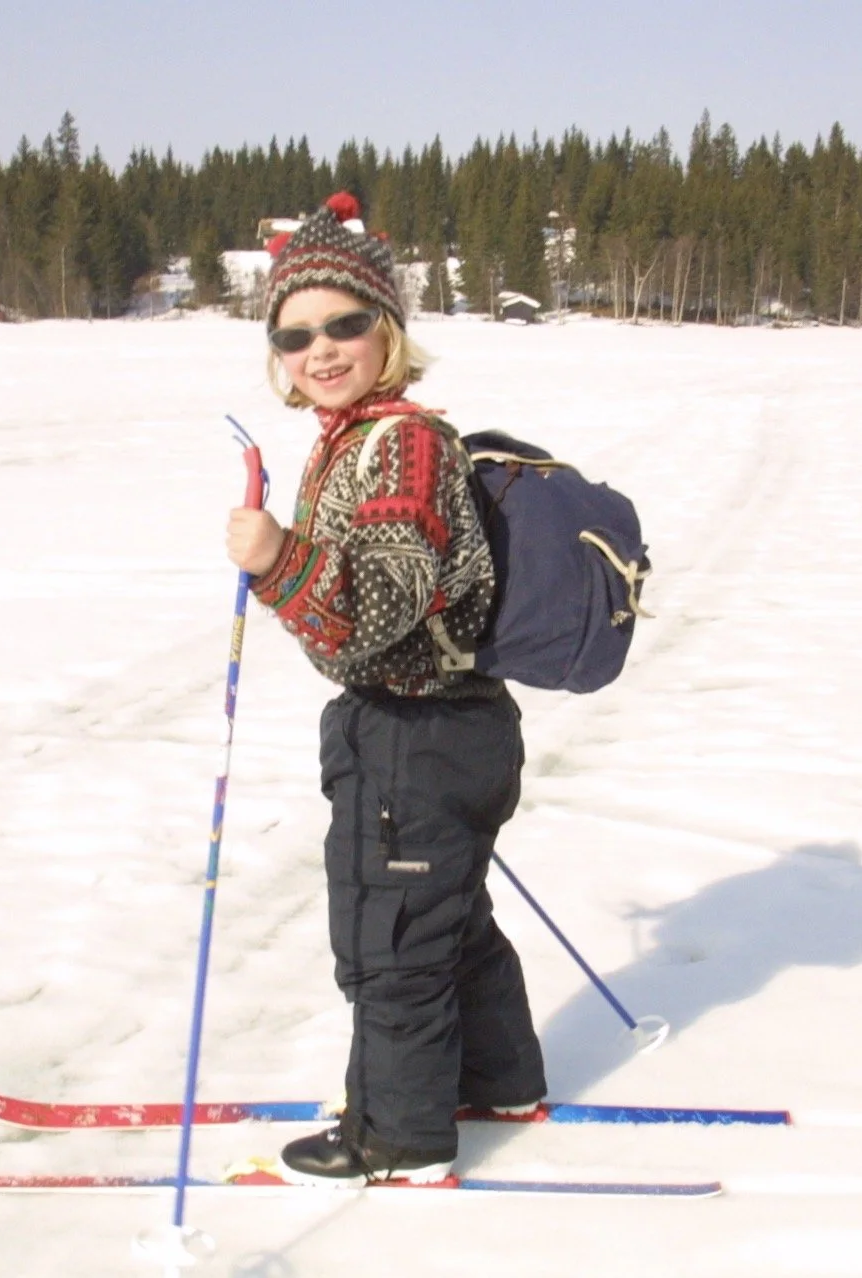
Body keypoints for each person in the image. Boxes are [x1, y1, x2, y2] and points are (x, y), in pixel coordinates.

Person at [224, 193, 547, 1185]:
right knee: (447, 920)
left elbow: (382, 606)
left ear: (388, 328)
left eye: (344, 324)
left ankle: (401, 1137)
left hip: (420, 730)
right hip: (435, 729)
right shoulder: (353, 436)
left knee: (391, 938)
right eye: (294, 335)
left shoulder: (402, 443)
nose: (320, 349)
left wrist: (277, 558)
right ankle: (497, 1083)